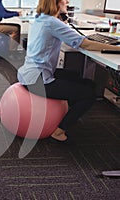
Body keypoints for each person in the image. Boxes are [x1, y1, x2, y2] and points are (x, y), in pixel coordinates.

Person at [17, 0, 120, 143]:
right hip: (38, 80)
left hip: (29, 74)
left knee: (80, 79)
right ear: (55, 2)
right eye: (64, 0)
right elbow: (86, 44)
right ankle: (59, 131)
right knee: (89, 94)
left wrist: (63, 20)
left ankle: (70, 115)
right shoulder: (52, 22)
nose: (68, 1)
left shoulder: (41, 18)